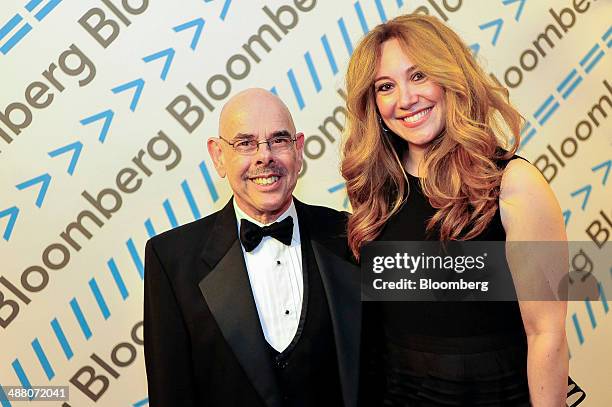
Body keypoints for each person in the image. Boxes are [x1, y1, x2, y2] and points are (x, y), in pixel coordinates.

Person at [341, 14, 584, 406]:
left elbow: (547, 334)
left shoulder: (514, 183)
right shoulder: (376, 192)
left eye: (419, 76)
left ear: (451, 77)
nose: (405, 99)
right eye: (386, 86)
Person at [144, 88, 360, 407]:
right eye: (245, 143)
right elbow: (170, 393)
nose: (264, 156)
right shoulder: (171, 260)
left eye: (279, 140)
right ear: (219, 156)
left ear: (298, 149)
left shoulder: (351, 236)